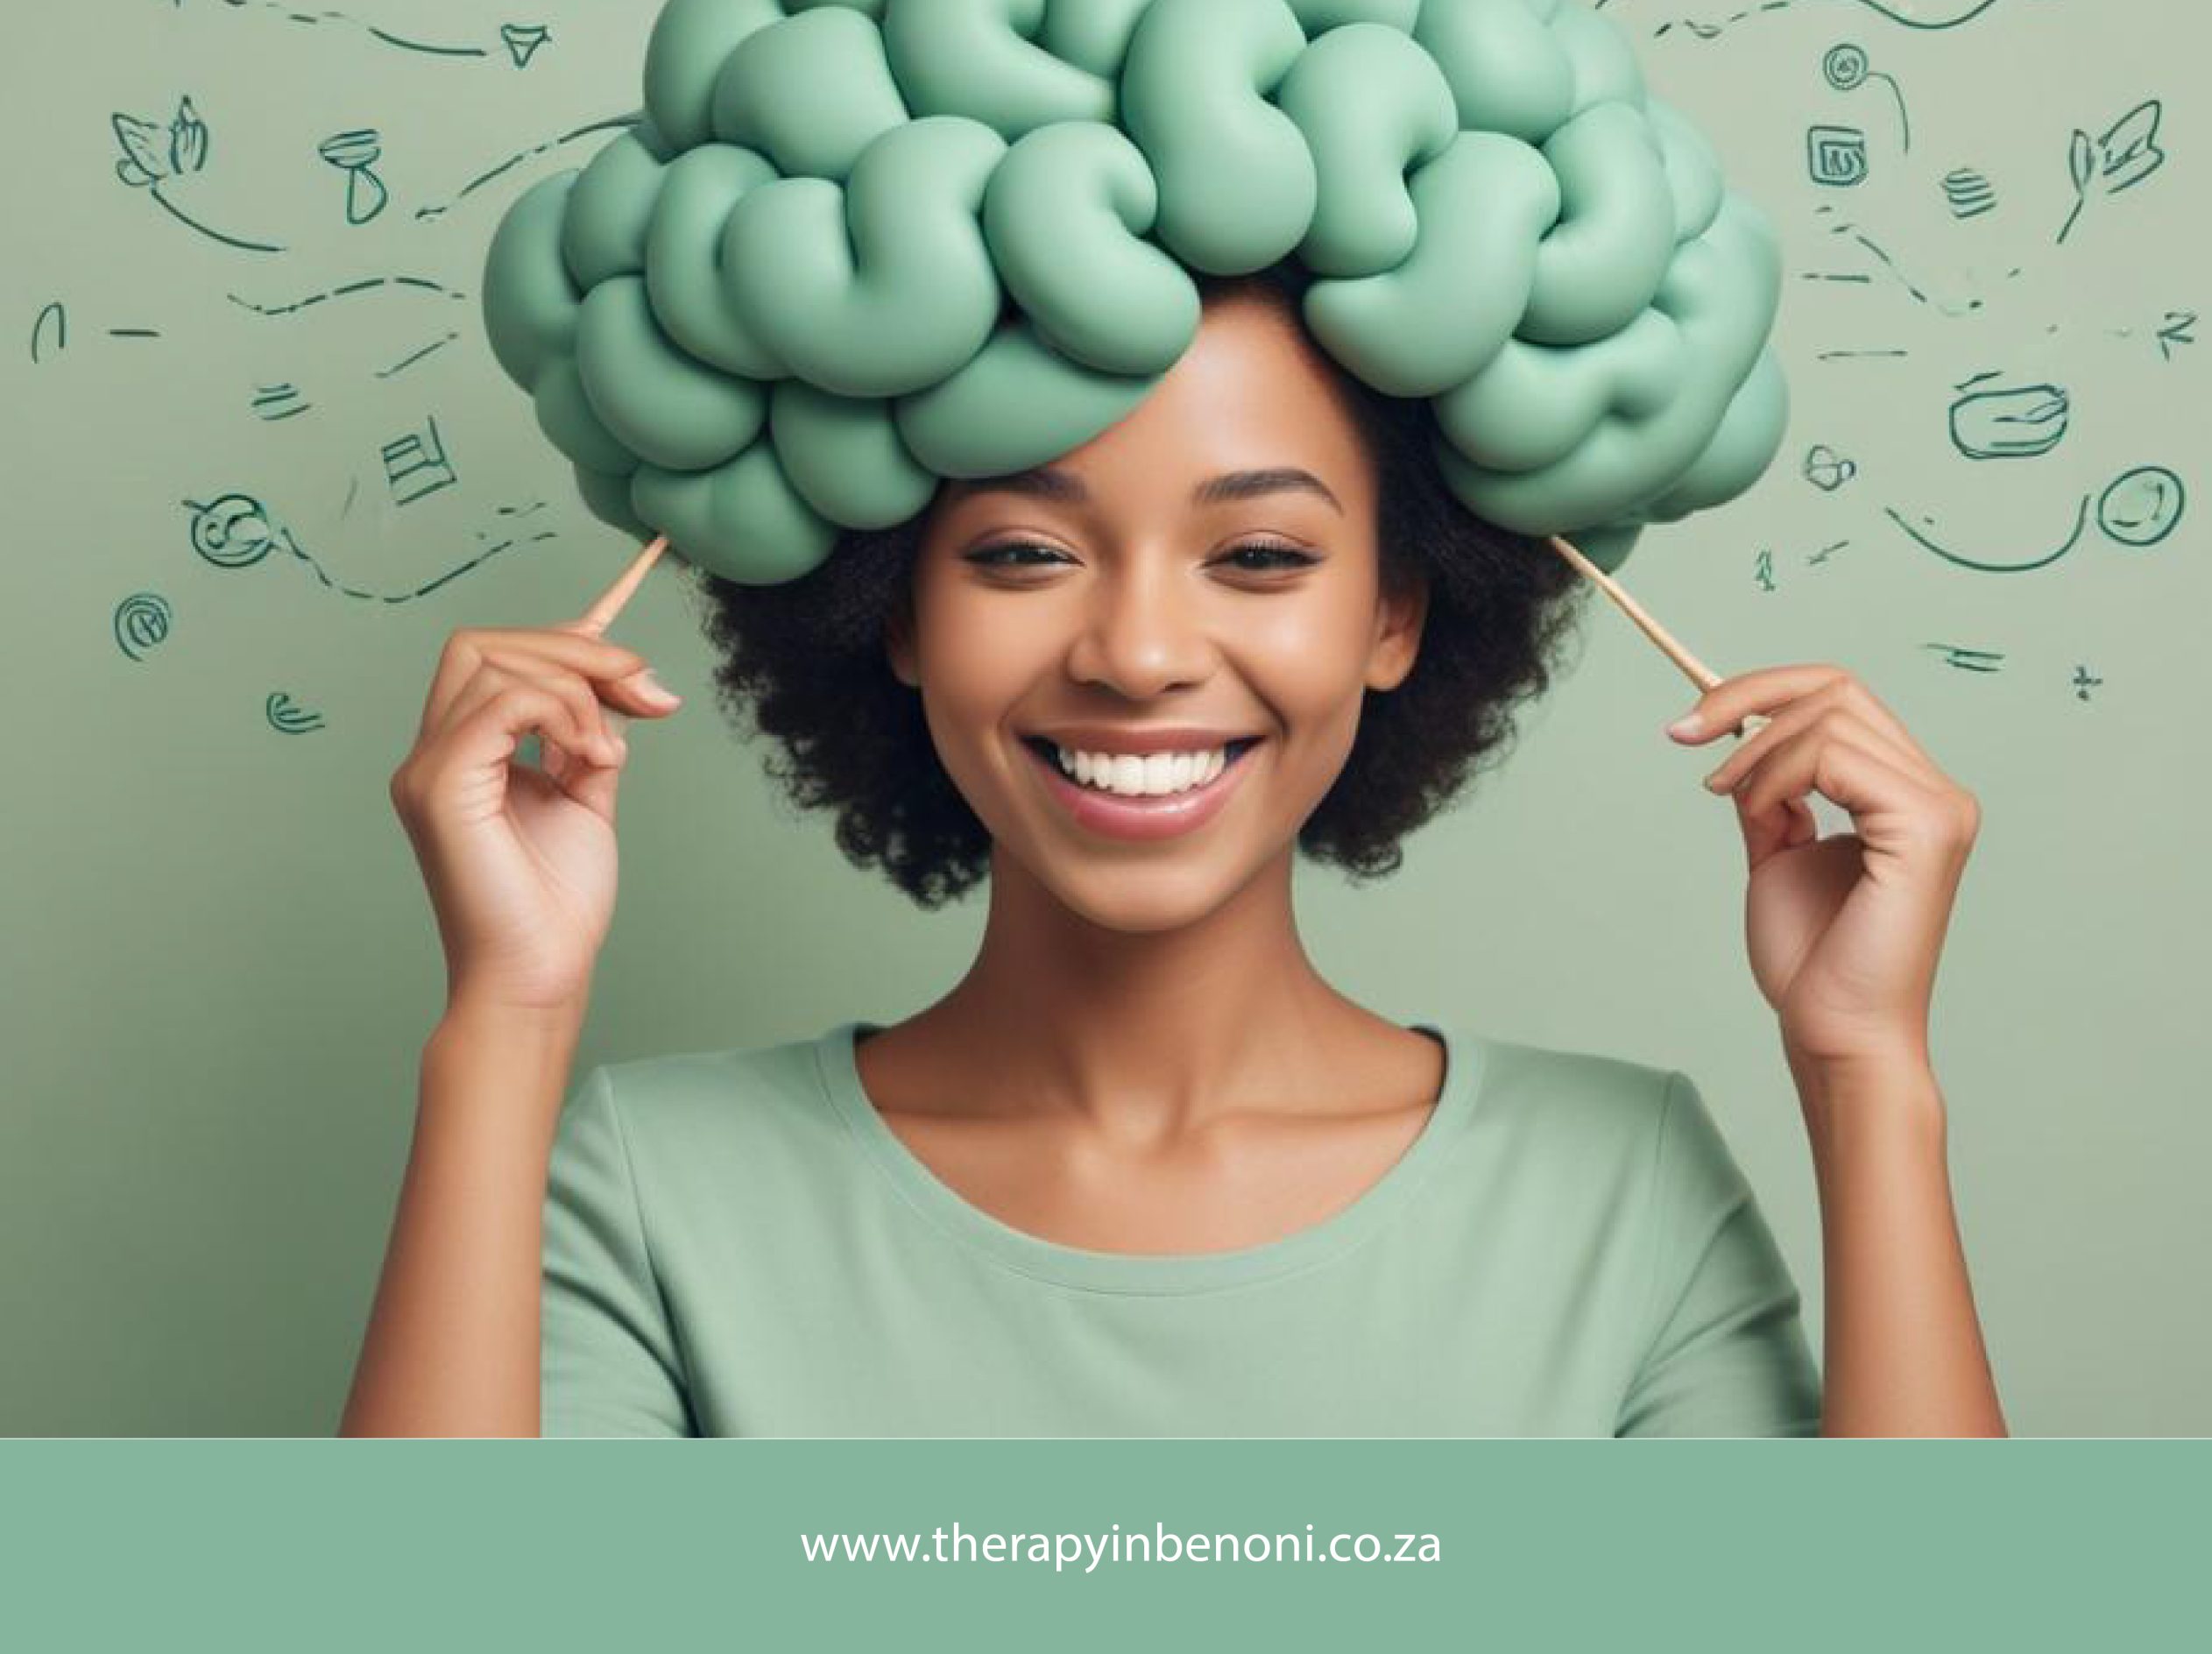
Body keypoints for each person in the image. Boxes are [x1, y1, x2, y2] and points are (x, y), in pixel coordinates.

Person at [340, 263, 2006, 1438]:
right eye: (1019, 552)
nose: (1137, 652)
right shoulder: (657, 1188)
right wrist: (508, 1017)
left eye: (1262, 554)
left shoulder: (1613, 1186)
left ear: (1398, 614)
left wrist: (1870, 1069)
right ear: (894, 613)